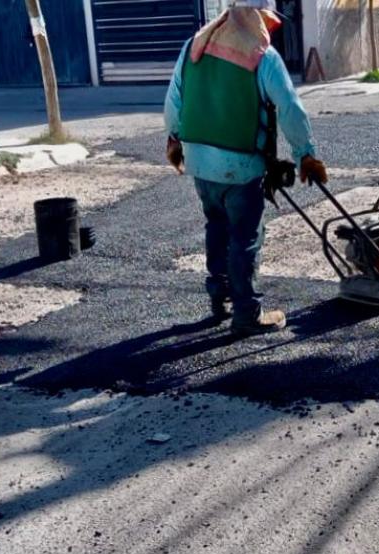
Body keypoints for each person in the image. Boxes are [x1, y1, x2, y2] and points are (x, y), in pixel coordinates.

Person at [163, 0, 327, 335]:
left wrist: (175, 140)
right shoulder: (263, 55)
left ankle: (219, 297)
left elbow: (173, 100)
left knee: (216, 226)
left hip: (198, 161)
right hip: (238, 164)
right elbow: (289, 107)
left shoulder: (194, 45)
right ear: (257, 17)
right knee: (244, 237)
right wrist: (305, 155)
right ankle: (247, 314)